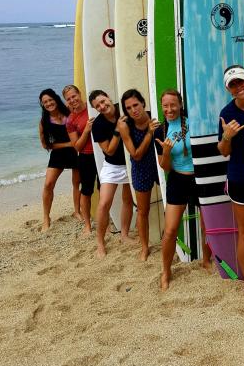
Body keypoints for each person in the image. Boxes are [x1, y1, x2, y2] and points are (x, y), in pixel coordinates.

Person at [154, 89, 211, 290]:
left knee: (207, 227)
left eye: (173, 104)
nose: (169, 109)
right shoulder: (160, 132)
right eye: (165, 106)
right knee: (169, 231)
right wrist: (166, 152)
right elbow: (165, 167)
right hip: (177, 180)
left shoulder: (193, 123)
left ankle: (207, 260)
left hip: (199, 179)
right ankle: (166, 271)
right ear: (162, 107)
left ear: (180, 104)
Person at [217, 65, 244, 295]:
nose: (238, 87)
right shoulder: (227, 114)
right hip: (241, 178)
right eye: (233, 85)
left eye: (240, 81)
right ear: (228, 89)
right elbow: (223, 151)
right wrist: (227, 136)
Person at [89, 90, 134, 257]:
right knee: (104, 203)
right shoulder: (98, 124)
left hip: (130, 162)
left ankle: (124, 235)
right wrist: (117, 130)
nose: (102, 106)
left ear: (108, 97)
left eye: (103, 101)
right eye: (97, 106)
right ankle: (100, 242)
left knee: (128, 200)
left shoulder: (123, 110)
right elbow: (108, 150)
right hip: (112, 166)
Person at [118, 88, 160, 261]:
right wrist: (149, 133)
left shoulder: (154, 117)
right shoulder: (126, 125)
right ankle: (144, 247)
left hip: (160, 164)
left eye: (136, 105)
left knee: (172, 204)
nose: (133, 110)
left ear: (143, 103)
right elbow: (135, 154)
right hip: (141, 167)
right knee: (143, 210)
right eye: (128, 108)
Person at [38, 88, 80, 232]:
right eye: (45, 102)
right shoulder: (44, 122)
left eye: (50, 100)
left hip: (76, 151)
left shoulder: (69, 111)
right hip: (58, 154)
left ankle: (77, 211)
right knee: (48, 184)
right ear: (42, 105)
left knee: (76, 183)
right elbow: (45, 145)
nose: (49, 103)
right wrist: (68, 144)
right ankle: (46, 217)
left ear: (56, 99)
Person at [63, 84, 98, 235]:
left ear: (79, 93)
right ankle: (87, 224)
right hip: (86, 157)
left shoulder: (92, 108)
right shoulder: (70, 120)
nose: (72, 100)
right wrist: (86, 130)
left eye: (74, 96)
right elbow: (77, 146)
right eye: (68, 99)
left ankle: (106, 221)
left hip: (102, 153)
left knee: (104, 188)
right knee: (86, 191)